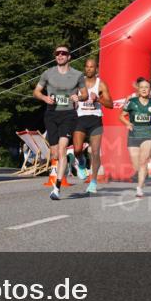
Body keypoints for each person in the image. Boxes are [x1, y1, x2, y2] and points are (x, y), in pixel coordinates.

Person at [34, 45, 88, 201]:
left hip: (68, 115)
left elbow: (85, 94)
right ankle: (77, 159)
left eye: (63, 53)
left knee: (63, 148)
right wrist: (44, 98)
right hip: (51, 114)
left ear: (69, 57)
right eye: (57, 53)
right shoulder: (48, 73)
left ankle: (57, 188)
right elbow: (36, 91)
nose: (60, 55)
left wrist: (79, 97)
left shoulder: (77, 75)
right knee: (55, 153)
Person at [72, 57, 113, 195]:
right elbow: (71, 97)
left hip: (95, 119)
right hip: (80, 118)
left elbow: (111, 104)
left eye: (92, 67)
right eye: (87, 67)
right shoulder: (79, 83)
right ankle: (81, 162)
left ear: (96, 69)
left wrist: (99, 99)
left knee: (95, 152)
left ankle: (93, 182)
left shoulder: (101, 84)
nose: (89, 69)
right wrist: (73, 100)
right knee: (77, 149)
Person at [122, 77, 151, 198]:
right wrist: (128, 123)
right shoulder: (131, 101)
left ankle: (139, 188)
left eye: (146, 87)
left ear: (150, 90)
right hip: (133, 136)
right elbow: (121, 116)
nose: (144, 89)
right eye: (142, 87)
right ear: (138, 89)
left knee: (143, 161)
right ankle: (143, 174)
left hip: (147, 135)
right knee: (136, 165)